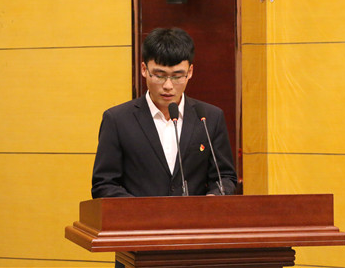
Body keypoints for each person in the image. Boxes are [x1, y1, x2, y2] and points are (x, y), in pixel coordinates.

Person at [91, 27, 237, 198]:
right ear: (144, 69)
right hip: (138, 215)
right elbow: (104, 184)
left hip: (194, 215)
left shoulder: (209, 118)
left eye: (177, 76)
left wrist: (214, 197)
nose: (168, 86)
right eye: (160, 75)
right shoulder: (117, 120)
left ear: (190, 72)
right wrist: (141, 209)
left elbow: (225, 177)